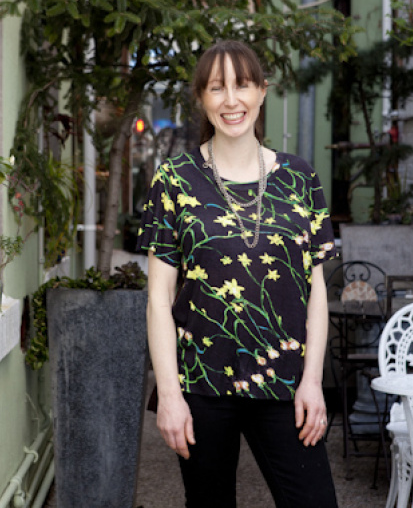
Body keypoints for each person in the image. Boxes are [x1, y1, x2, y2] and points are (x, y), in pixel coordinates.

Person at [137, 40, 339, 508]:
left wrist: (313, 381)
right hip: (202, 384)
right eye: (217, 88)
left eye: (242, 85)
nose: (231, 100)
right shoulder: (175, 180)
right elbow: (159, 300)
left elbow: (315, 292)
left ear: (262, 92)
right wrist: (169, 395)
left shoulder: (300, 178)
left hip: (286, 383)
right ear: (202, 99)